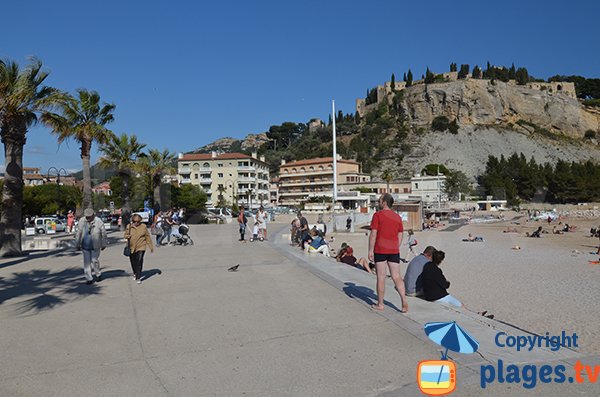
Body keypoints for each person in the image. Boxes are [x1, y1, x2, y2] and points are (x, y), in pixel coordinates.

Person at [368, 193, 408, 313]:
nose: (378, 202)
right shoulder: (397, 217)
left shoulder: (377, 215)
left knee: (381, 277)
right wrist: (397, 245)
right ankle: (404, 300)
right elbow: (400, 233)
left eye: (380, 200)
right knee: (397, 276)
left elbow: (373, 233)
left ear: (384, 202)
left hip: (380, 249)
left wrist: (370, 249)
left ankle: (380, 304)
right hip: (394, 250)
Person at [75, 208, 107, 285]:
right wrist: (77, 243)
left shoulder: (98, 221)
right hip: (85, 245)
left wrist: (103, 244)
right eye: (87, 217)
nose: (88, 218)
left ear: (93, 215)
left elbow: (103, 234)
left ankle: (98, 274)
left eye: (89, 217)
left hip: (95, 245)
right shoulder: (82, 221)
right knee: (86, 263)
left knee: (94, 260)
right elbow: (78, 233)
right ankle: (89, 278)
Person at [124, 214, 154, 284]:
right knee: (133, 261)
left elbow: (147, 236)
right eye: (135, 221)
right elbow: (125, 235)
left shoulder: (143, 226)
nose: (136, 223)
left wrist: (150, 246)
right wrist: (127, 236)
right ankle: (135, 272)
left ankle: (138, 277)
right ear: (132, 221)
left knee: (139, 261)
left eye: (138, 222)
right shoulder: (129, 226)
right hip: (131, 247)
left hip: (141, 246)